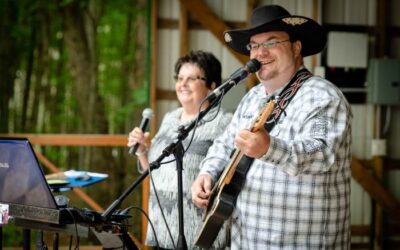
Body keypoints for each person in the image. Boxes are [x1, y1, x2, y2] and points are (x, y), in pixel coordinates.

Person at [191, 5, 352, 249]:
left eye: (271, 42)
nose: (260, 52)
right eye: (254, 46)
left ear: (296, 48)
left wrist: (269, 148)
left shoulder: (323, 97)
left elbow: (321, 152)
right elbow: (225, 144)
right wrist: (207, 173)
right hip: (244, 240)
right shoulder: (253, 97)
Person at [128, 50, 232, 249]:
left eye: (191, 78)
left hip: (198, 234)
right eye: (180, 78)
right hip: (162, 229)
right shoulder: (170, 118)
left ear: (211, 86)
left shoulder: (224, 122)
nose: (182, 84)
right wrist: (142, 151)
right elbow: (155, 170)